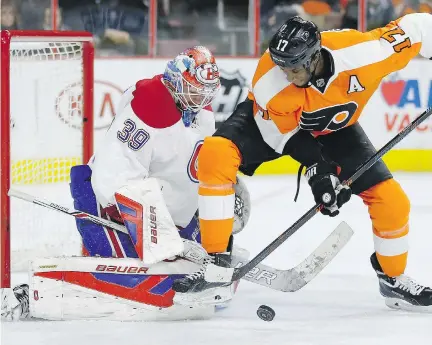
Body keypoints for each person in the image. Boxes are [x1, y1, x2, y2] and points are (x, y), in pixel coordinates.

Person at [173, 14, 432, 311]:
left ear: (313, 58)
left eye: (294, 68)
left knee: (392, 201)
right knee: (216, 152)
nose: (286, 73)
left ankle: (393, 279)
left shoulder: (366, 53)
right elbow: (284, 136)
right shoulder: (271, 80)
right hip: (272, 126)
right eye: (282, 66)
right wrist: (319, 173)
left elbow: (421, 27)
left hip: (336, 129)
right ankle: (216, 261)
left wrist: (327, 174)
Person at [1, 46, 251, 321]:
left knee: (197, 274)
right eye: (195, 89)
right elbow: (112, 180)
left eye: (207, 91)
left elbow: (191, 165)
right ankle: (32, 294)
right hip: (110, 211)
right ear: (177, 81)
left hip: (164, 216)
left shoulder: (199, 110)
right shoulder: (150, 109)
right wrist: (167, 241)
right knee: (146, 284)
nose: (202, 97)